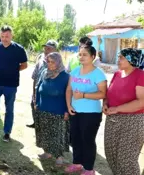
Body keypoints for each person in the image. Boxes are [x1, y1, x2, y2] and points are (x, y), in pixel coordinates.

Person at [65, 39, 107, 175]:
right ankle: (77, 163)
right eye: (80, 54)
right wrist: (69, 105)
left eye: (85, 55)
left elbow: (102, 93)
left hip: (91, 113)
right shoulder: (75, 71)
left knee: (87, 139)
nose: (81, 57)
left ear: (93, 57)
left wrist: (83, 95)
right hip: (75, 110)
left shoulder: (98, 73)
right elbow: (69, 90)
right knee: (75, 138)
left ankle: (89, 168)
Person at [103, 48, 144, 175]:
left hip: (133, 121)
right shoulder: (117, 74)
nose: (118, 60)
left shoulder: (140, 75)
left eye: (121, 57)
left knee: (126, 159)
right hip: (113, 120)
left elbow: (141, 102)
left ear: (131, 60)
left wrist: (117, 109)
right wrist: (105, 103)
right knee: (111, 155)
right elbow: (109, 94)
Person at [34, 52, 70, 165]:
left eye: (52, 61)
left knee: (57, 134)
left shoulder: (65, 76)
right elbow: (38, 87)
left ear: (58, 62)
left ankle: (59, 156)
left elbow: (68, 95)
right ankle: (47, 152)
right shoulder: (44, 72)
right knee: (44, 131)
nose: (49, 64)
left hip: (58, 111)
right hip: (42, 108)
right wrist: (36, 102)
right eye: (48, 61)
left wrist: (66, 110)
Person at [27, 40, 57, 129]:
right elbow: (35, 75)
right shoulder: (40, 58)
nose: (46, 50)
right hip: (37, 88)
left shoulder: (57, 62)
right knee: (33, 104)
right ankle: (36, 123)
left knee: (44, 110)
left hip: (48, 91)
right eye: (45, 48)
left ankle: (43, 128)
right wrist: (34, 91)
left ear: (55, 50)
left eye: (49, 48)